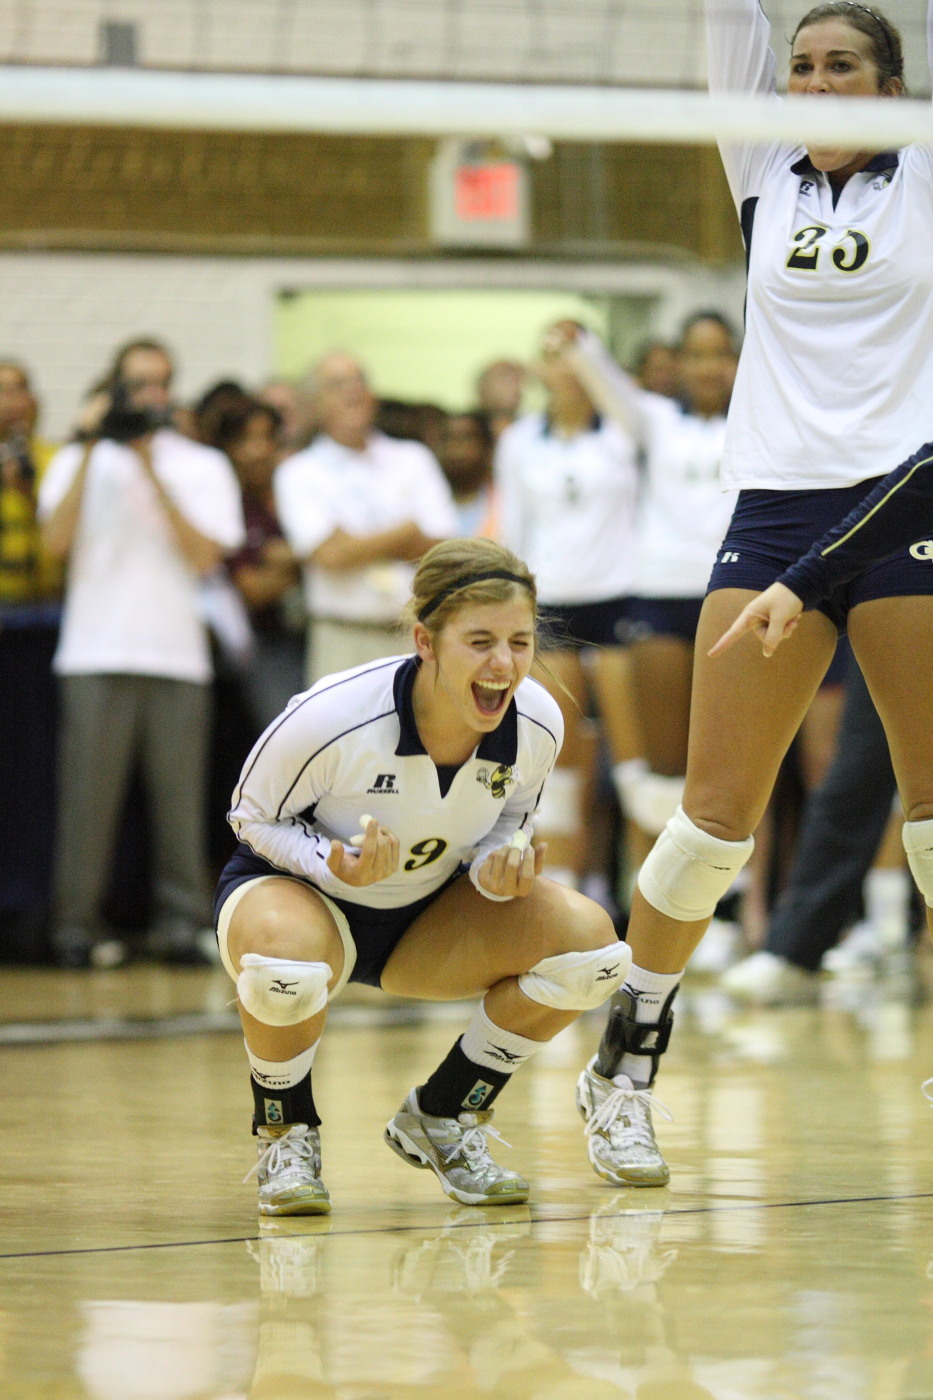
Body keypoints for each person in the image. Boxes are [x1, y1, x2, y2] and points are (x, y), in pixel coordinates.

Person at [579, 0, 933, 1188]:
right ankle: (624, 1062)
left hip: (903, 505)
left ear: (892, 85)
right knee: (711, 814)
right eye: (803, 66)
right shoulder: (763, 168)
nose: (818, 83)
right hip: (773, 507)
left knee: (931, 809)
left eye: (844, 67)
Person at [215, 538, 630, 1215]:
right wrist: (332, 863)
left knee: (591, 950)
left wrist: (502, 870)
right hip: (301, 900)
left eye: (520, 642)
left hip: (426, 918)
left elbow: (507, 821)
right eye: (480, 642)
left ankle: (442, 1116)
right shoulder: (334, 716)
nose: (503, 665)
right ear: (425, 641)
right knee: (281, 975)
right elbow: (250, 817)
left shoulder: (538, 721)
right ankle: (286, 1133)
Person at [38, 339, 245, 967]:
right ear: (114, 388)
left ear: (173, 389)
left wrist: (152, 467)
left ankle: (182, 924)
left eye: (160, 384)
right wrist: (95, 443)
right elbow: (55, 543)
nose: (149, 396)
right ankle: (75, 927)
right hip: (95, 651)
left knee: (181, 803)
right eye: (136, 385)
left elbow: (207, 556)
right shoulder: (78, 459)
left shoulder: (201, 464)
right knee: (88, 802)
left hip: (177, 653)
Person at [495, 323, 641, 892]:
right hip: (550, 606)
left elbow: (627, 403)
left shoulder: (624, 433)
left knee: (634, 768)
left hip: (619, 602)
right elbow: (512, 529)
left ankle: (639, 895)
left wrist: (587, 353)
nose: (565, 367)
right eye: (552, 355)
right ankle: (559, 888)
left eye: (575, 355)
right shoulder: (520, 441)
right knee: (559, 760)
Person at [274, 351, 458, 685]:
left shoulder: (413, 458)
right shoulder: (298, 472)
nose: (353, 391)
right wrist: (406, 531)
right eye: (337, 384)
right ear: (315, 403)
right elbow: (330, 555)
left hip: (414, 638)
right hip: (341, 635)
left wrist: (353, 543)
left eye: (359, 380)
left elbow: (443, 552)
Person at [212, 397, 305, 730]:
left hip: (318, 628)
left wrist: (292, 558)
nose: (259, 450)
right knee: (289, 734)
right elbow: (252, 589)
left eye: (268, 438)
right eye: (247, 440)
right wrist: (310, 560)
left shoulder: (301, 488)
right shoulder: (228, 502)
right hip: (262, 641)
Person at [436, 410, 497, 537]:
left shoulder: (506, 504)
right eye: (447, 438)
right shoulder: (422, 499)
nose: (455, 448)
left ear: (488, 448)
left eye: (465, 438)